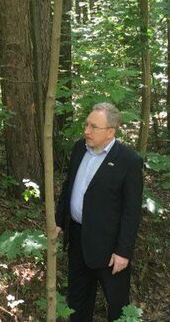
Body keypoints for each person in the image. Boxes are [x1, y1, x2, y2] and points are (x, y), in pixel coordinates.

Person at [54, 102, 144, 322]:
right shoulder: (78, 148)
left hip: (110, 250)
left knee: (117, 306)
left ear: (111, 131)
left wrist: (124, 251)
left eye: (94, 127)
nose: (87, 131)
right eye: (86, 124)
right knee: (77, 302)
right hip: (77, 239)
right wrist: (59, 221)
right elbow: (69, 186)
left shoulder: (129, 161)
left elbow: (131, 211)